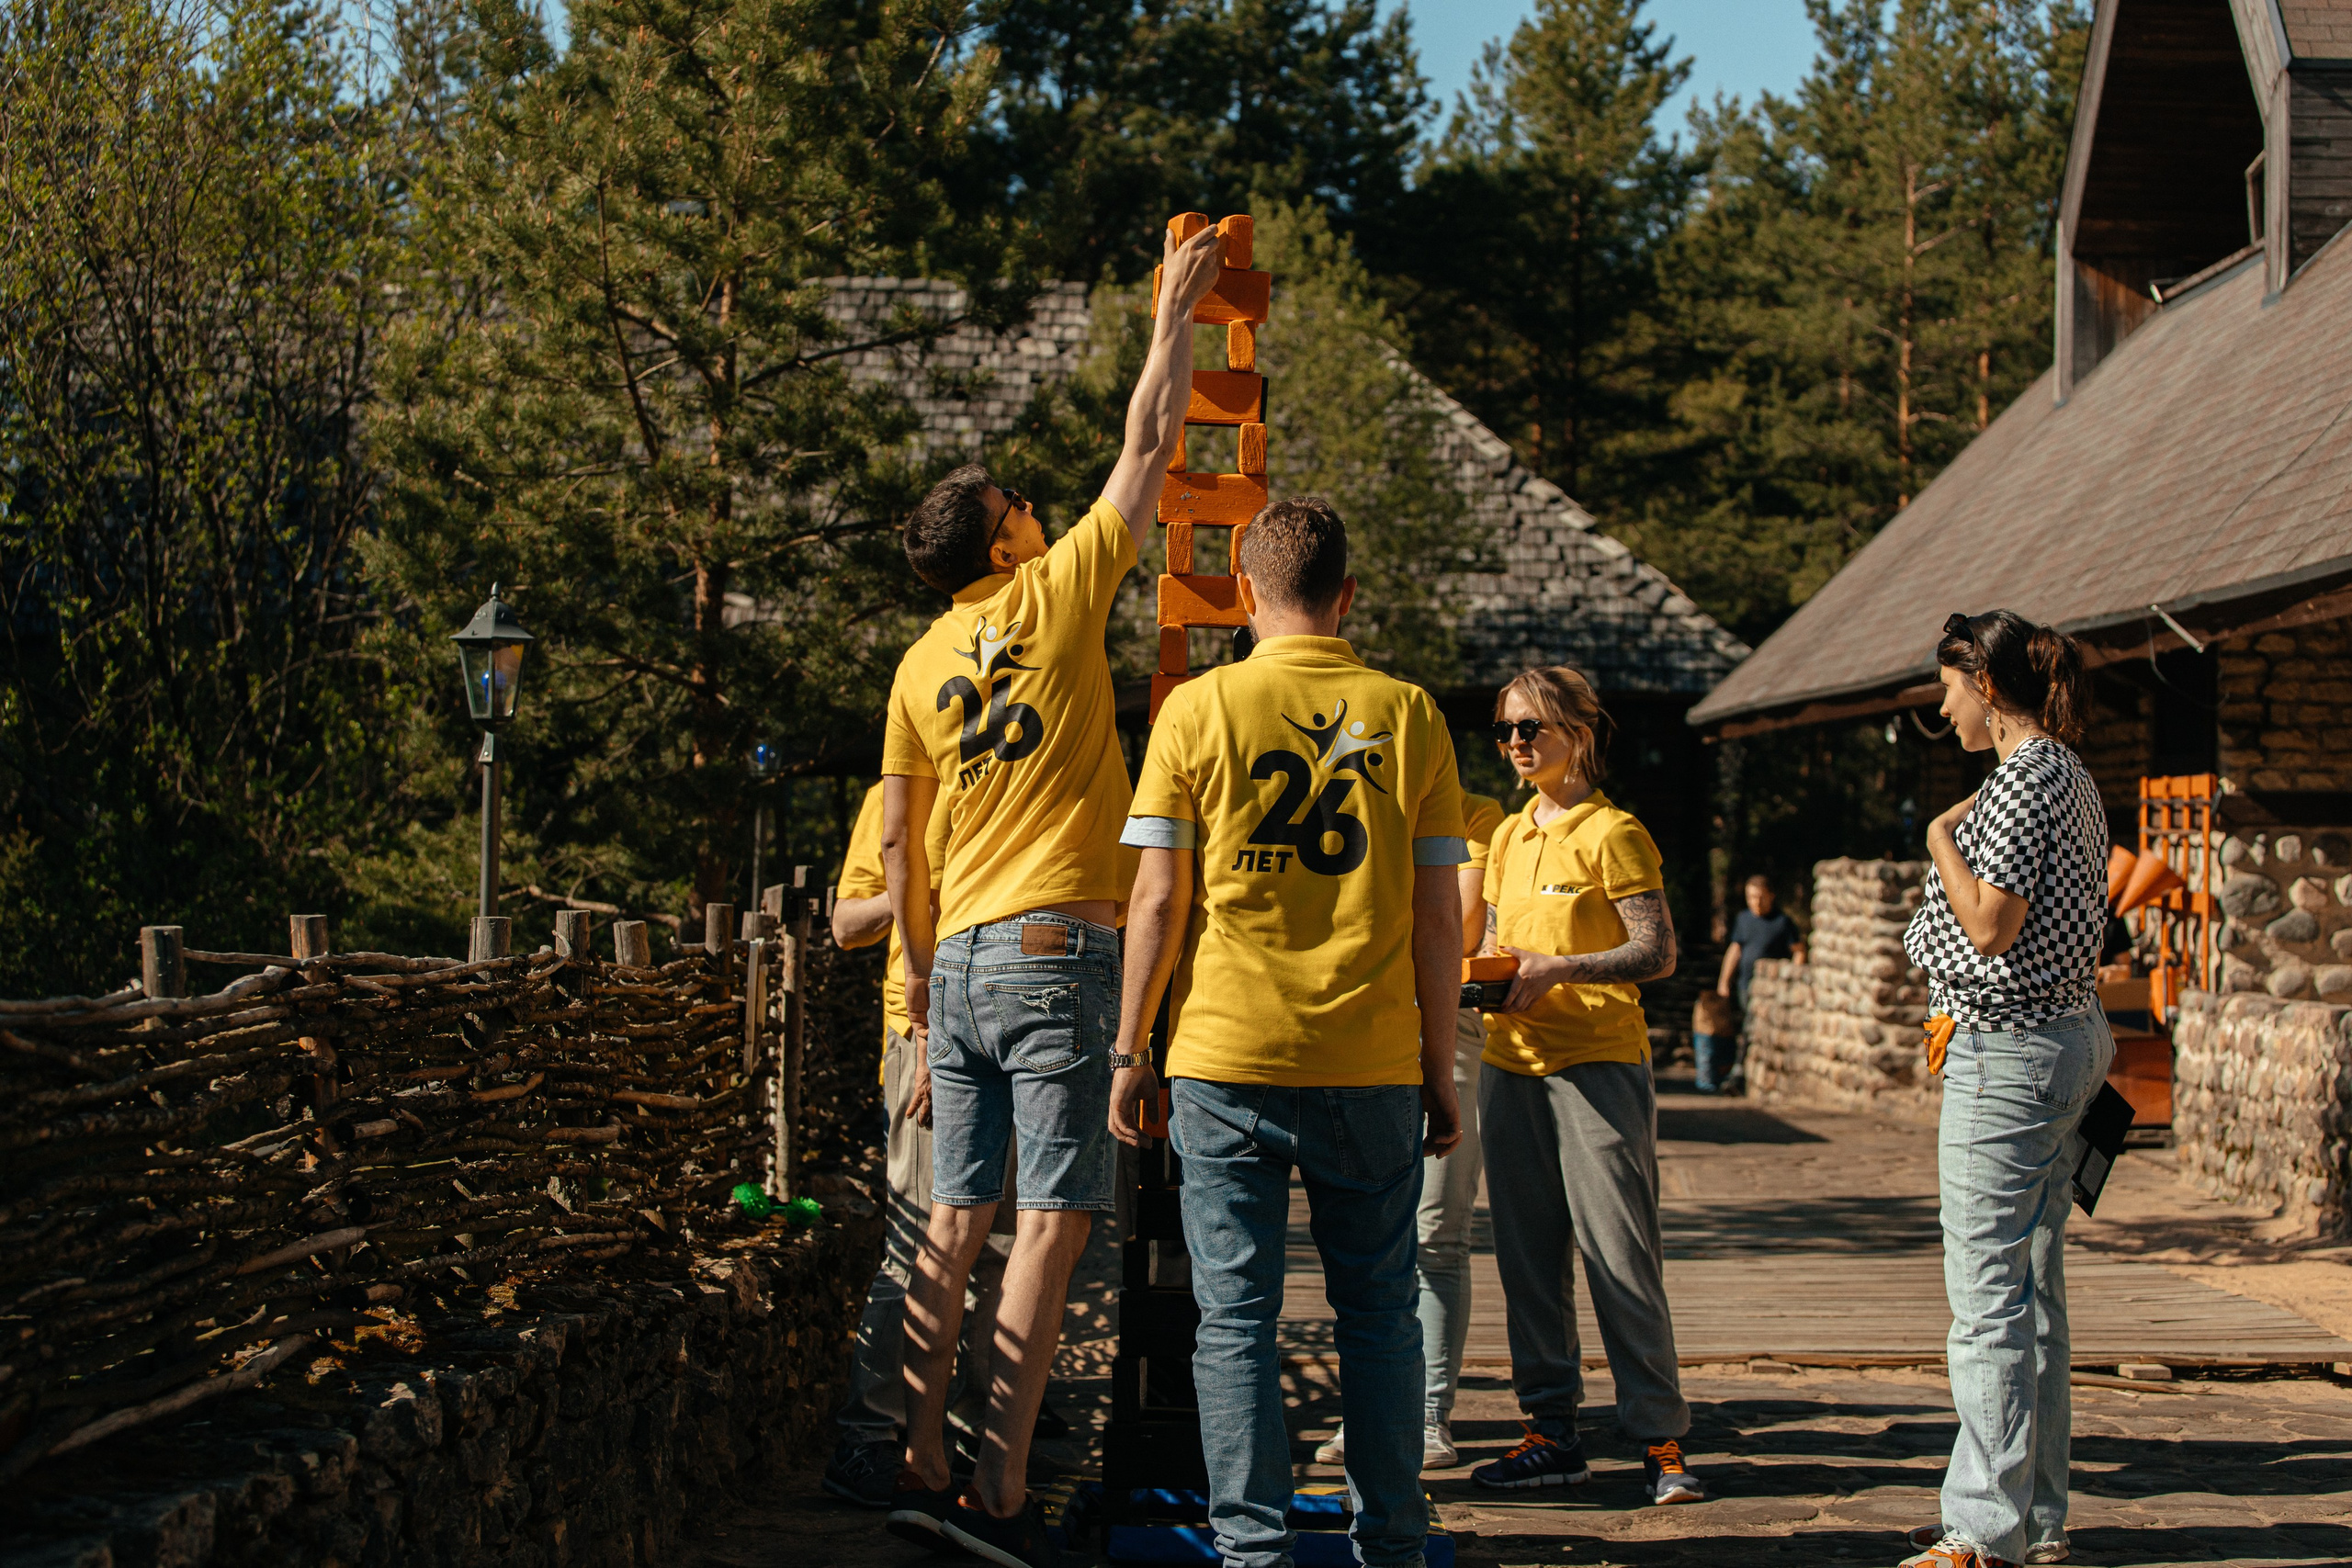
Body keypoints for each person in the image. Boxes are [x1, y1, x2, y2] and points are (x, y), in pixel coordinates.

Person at [877, 219, 1231, 1568]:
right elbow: (1146, 451)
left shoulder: (917, 666)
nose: (1039, 504)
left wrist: (911, 1000)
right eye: (1022, 499)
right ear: (1009, 534)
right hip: (1052, 945)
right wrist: (1172, 316)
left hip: (956, 956)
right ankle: (1001, 1485)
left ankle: (918, 1453)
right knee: (1051, 1220)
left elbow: (902, 846)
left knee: (950, 1220)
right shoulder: (1059, 590)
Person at [1111, 495, 1468, 1568]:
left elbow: (1159, 904)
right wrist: (1437, 1068)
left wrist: (1131, 1051)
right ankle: (1393, 1540)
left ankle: (1250, 1548)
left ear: (1240, 584)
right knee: (1379, 1317)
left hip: (1224, 1059)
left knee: (1234, 1321)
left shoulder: (1195, 712)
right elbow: (1438, 910)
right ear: (1347, 593)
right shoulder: (1406, 713)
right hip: (1367, 1062)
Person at [1899, 611, 2110, 1568]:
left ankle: (1981, 1531)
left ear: (1983, 681)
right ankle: (2035, 1517)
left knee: (1987, 1302)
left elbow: (1987, 926)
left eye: (1946, 688)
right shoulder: (2067, 771)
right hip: (2059, 1041)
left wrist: (1942, 834)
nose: (1942, 708)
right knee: (2031, 1294)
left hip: (2010, 1051)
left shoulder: (2022, 780)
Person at [1470, 666, 1702, 1506]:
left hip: (1597, 1059)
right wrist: (1480, 977)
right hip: (1511, 1063)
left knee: (1619, 1252)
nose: (1517, 744)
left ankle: (1661, 1437)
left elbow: (1658, 950)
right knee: (1528, 1259)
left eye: (1532, 728)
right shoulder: (1505, 837)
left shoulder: (1615, 832)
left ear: (1579, 732)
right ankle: (1550, 1432)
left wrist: (1562, 967)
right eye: (1506, 730)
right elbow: (1499, 942)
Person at [822, 784, 1021, 1506]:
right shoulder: (897, 793)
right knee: (920, 1243)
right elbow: (847, 923)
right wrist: (917, 898)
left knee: (999, 1244)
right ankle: (868, 1434)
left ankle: (964, 1427)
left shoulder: (1012, 770)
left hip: (1004, 1027)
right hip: (923, 1039)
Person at [1316, 786, 1504, 1472]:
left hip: (1442, 1020)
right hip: (1360, 1022)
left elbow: (1464, 917)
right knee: (1366, 1236)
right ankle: (1368, 1406)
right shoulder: (1352, 799)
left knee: (1435, 1230)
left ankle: (1425, 1413)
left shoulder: (1477, 815)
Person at [1708, 874, 1806, 1092]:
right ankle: (1737, 1072)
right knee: (1746, 1027)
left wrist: (1792, 978)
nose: (1756, 902)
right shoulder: (1744, 920)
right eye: (1751, 897)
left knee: (1750, 1027)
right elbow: (1735, 950)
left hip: (1771, 991)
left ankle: (1738, 1075)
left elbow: (1798, 951)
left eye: (1760, 897)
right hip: (1745, 985)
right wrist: (1724, 981)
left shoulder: (1783, 923)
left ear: (1771, 896)